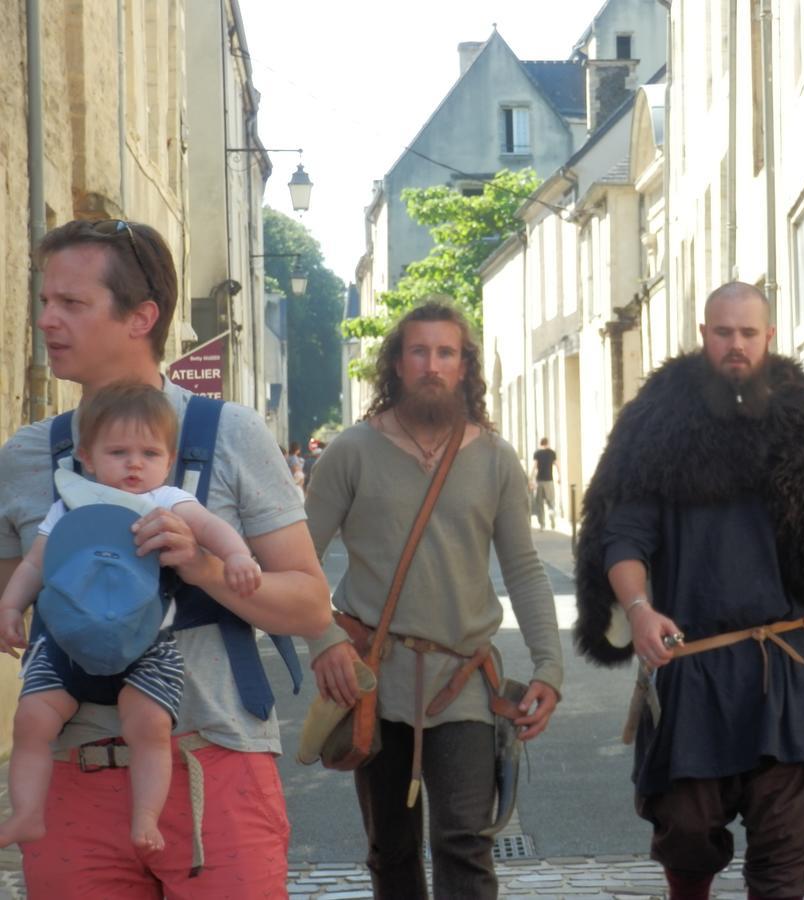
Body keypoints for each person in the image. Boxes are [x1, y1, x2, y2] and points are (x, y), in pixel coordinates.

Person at [0, 218, 331, 897]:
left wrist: (204, 567)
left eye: (71, 303)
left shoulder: (229, 433)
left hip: (214, 767)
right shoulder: (27, 457)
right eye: (43, 302)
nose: (45, 320)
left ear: (141, 317)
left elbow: (308, 602)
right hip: (71, 779)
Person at [574, 281, 804, 899]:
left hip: (782, 669)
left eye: (748, 333)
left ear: (769, 337)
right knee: (686, 832)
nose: (736, 345)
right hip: (690, 667)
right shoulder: (657, 423)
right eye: (723, 332)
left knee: (788, 849)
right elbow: (622, 537)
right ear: (704, 333)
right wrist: (640, 609)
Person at [304, 299, 563, 898]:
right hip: (371, 679)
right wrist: (324, 644)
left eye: (446, 353)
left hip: (466, 681)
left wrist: (549, 663)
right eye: (418, 351)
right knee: (390, 850)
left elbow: (523, 568)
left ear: (465, 367)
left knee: (465, 844)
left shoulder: (495, 458)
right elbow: (298, 561)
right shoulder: (351, 452)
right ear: (396, 363)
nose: (431, 365)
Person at [0, 382, 263, 852]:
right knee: (32, 721)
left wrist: (238, 557)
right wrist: (10, 605)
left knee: (150, 726)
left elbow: (213, 529)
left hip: (147, 645)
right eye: (118, 452)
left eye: (149, 452)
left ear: (170, 457)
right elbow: (36, 564)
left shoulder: (166, 500)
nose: (135, 464)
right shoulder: (68, 505)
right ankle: (27, 813)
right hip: (66, 643)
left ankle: (146, 817)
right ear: (87, 455)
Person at [530, 438, 559, 530]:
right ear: (548, 443)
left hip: (540, 481)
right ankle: (552, 519)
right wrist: (559, 476)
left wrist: (530, 478)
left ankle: (542, 524)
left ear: (540, 444)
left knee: (539, 503)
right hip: (549, 481)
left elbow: (534, 466)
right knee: (551, 502)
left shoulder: (537, 453)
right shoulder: (552, 453)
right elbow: (557, 465)